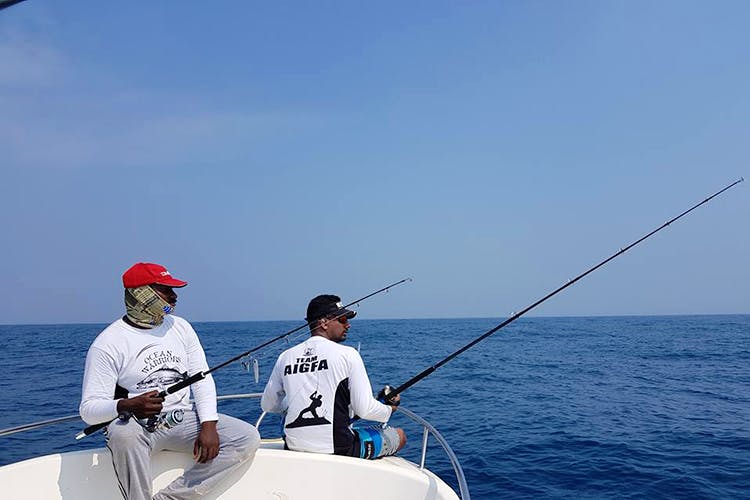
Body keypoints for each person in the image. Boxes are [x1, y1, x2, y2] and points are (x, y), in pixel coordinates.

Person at [80, 262, 260, 500]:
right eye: (166, 290)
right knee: (123, 435)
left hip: (181, 417)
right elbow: (89, 410)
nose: (174, 296)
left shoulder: (181, 327)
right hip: (137, 423)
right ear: (142, 293)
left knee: (246, 438)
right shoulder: (108, 343)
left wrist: (208, 425)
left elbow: (202, 379)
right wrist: (127, 405)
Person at [261, 294, 406, 459]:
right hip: (339, 449)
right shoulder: (348, 354)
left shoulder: (285, 357)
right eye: (343, 319)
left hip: (294, 446)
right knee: (400, 435)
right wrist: (389, 410)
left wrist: (294, 403)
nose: (348, 325)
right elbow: (364, 409)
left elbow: (268, 405)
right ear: (324, 323)